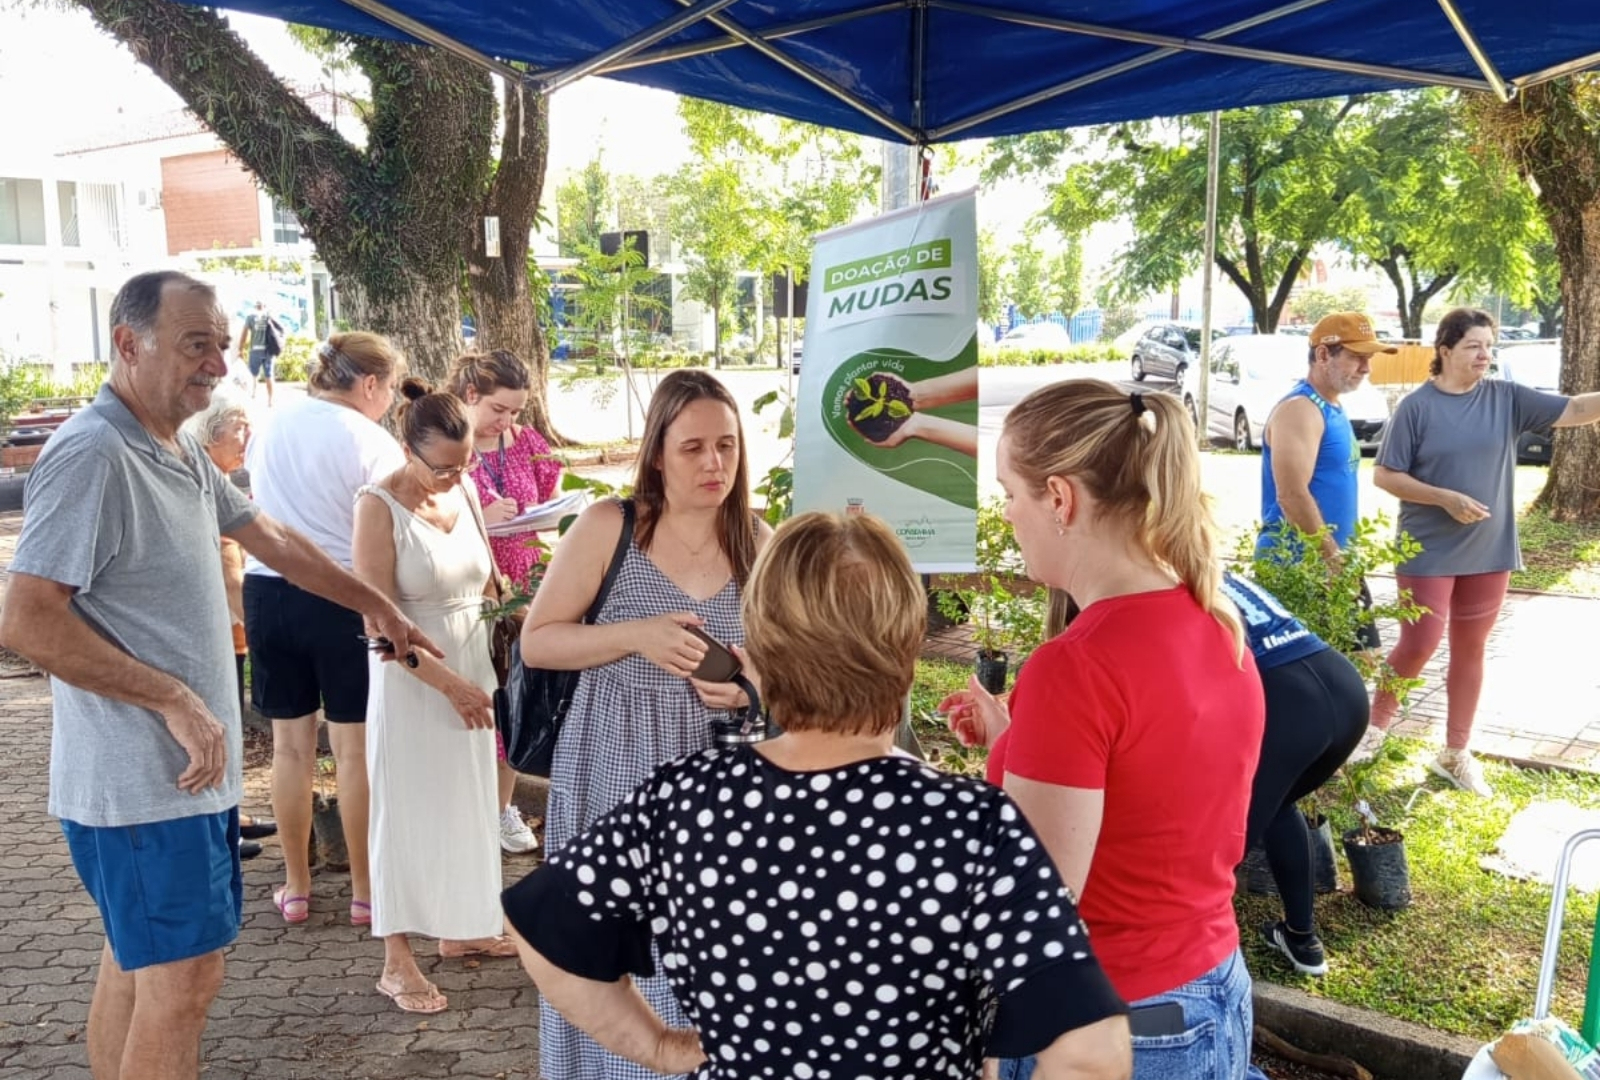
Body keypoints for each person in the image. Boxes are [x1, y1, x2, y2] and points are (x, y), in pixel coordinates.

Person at [502, 511, 1132, 1080]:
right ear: (908, 648)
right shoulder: (972, 826)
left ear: (760, 647)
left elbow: (541, 930)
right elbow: (1090, 1051)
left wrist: (658, 1046)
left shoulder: (683, 802)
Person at [0, 270, 438, 1080]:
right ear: (128, 344)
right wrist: (171, 697)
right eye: (195, 344)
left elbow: (272, 537)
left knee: (137, 963)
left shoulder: (173, 446)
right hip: (141, 787)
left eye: (224, 345)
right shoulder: (94, 453)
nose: (218, 364)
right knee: (185, 980)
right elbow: (26, 619)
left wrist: (374, 603)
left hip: (180, 786)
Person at [944, 380, 1268, 1080]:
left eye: (1010, 493)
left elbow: (1036, 903)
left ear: (1060, 499)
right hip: (1211, 986)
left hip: (1111, 1022)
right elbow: (1147, 796)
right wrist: (1014, 739)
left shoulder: (1075, 667)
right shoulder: (1217, 621)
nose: (1007, 515)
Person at [519, 368, 773, 1080]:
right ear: (657, 453)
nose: (714, 463)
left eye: (727, 445)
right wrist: (636, 636)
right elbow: (539, 642)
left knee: (706, 941)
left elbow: (788, 665)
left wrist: (751, 683)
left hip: (718, 774)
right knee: (611, 940)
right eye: (693, 448)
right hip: (613, 762)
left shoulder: (758, 539)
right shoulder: (612, 526)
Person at [1366, 308, 1600, 795]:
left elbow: (1577, 409)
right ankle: (1372, 730)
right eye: (1474, 346)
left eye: (1489, 346)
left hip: (1489, 549)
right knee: (1420, 643)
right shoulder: (1417, 407)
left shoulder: (1506, 398)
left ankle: (1455, 752)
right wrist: (1444, 498)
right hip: (1427, 548)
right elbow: (1386, 474)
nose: (1484, 355)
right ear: (1445, 350)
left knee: (1471, 649)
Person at [353, 380, 518, 1014]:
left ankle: (464, 924)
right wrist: (448, 685)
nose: (456, 477)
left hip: (473, 669)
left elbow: (488, 586)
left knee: (469, 802)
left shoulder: (466, 490)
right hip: (414, 681)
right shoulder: (377, 506)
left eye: (465, 463)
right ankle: (396, 961)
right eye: (443, 467)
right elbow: (377, 624)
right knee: (404, 813)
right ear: (406, 450)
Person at [243, 331, 406, 926]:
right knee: (352, 750)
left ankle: (296, 886)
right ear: (370, 384)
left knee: (289, 747)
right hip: (342, 594)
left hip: (267, 590)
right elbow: (391, 522)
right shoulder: (370, 438)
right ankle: (365, 891)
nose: (390, 400)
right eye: (390, 388)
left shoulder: (271, 423)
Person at [1221, 572, 1368, 977]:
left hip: (1290, 702)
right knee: (1279, 805)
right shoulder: (1217, 571)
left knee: (1224, 837)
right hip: (1343, 688)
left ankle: (1194, 963)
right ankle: (1301, 938)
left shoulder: (1159, 585)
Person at [450, 348, 563, 856]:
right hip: (472, 586)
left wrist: (542, 514)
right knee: (476, 690)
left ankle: (501, 807)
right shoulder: (448, 442)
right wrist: (482, 517)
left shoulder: (526, 441)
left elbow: (551, 497)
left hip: (524, 582)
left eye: (516, 411)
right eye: (499, 409)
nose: (507, 420)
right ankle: (466, 806)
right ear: (470, 394)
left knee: (516, 695)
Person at [1257, 312, 1396, 660]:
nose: (1366, 368)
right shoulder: (1299, 409)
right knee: (1322, 676)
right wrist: (1333, 560)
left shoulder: (1331, 406)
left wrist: (1341, 563)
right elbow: (1291, 495)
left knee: (1363, 662)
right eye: (1357, 357)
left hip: (1334, 562)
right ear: (1322, 354)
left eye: (1369, 358)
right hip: (1301, 565)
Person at [182, 394, 277, 861]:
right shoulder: (203, 481)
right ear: (210, 431)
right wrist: (261, 633)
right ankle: (223, 825)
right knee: (218, 727)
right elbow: (229, 573)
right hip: (217, 631)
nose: (246, 436)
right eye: (238, 427)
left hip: (226, 630)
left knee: (228, 725)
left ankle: (230, 813)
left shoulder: (214, 478)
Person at [236, 300, 284, 408]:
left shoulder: (250, 318)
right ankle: (270, 400)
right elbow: (280, 330)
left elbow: (244, 334)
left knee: (253, 376)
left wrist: (240, 349)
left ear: (255, 306)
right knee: (269, 376)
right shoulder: (269, 317)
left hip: (255, 351)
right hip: (268, 351)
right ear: (264, 306)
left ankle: (253, 396)